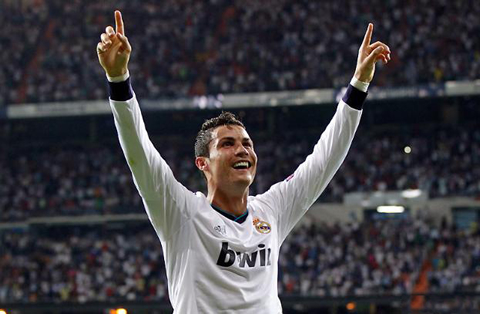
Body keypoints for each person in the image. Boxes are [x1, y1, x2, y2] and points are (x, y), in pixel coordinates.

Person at [97, 10, 390, 313]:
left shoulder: (271, 211)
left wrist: (358, 86)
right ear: (203, 163)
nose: (242, 150)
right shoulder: (181, 212)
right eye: (227, 144)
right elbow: (139, 153)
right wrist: (118, 80)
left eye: (247, 144)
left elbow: (324, 161)